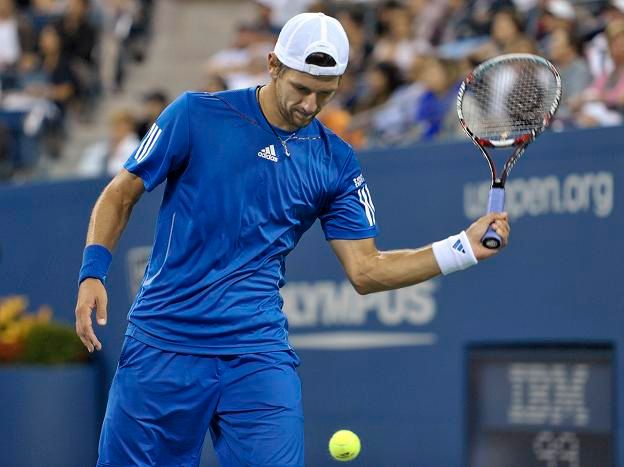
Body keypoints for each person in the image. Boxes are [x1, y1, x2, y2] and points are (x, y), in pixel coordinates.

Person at [74, 12, 510, 467]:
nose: (310, 104)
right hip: (164, 342)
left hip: (256, 352)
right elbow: (119, 195)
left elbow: (366, 270)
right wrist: (92, 273)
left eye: (325, 93)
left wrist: (463, 248)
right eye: (301, 88)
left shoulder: (335, 161)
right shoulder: (194, 114)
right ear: (273, 65)